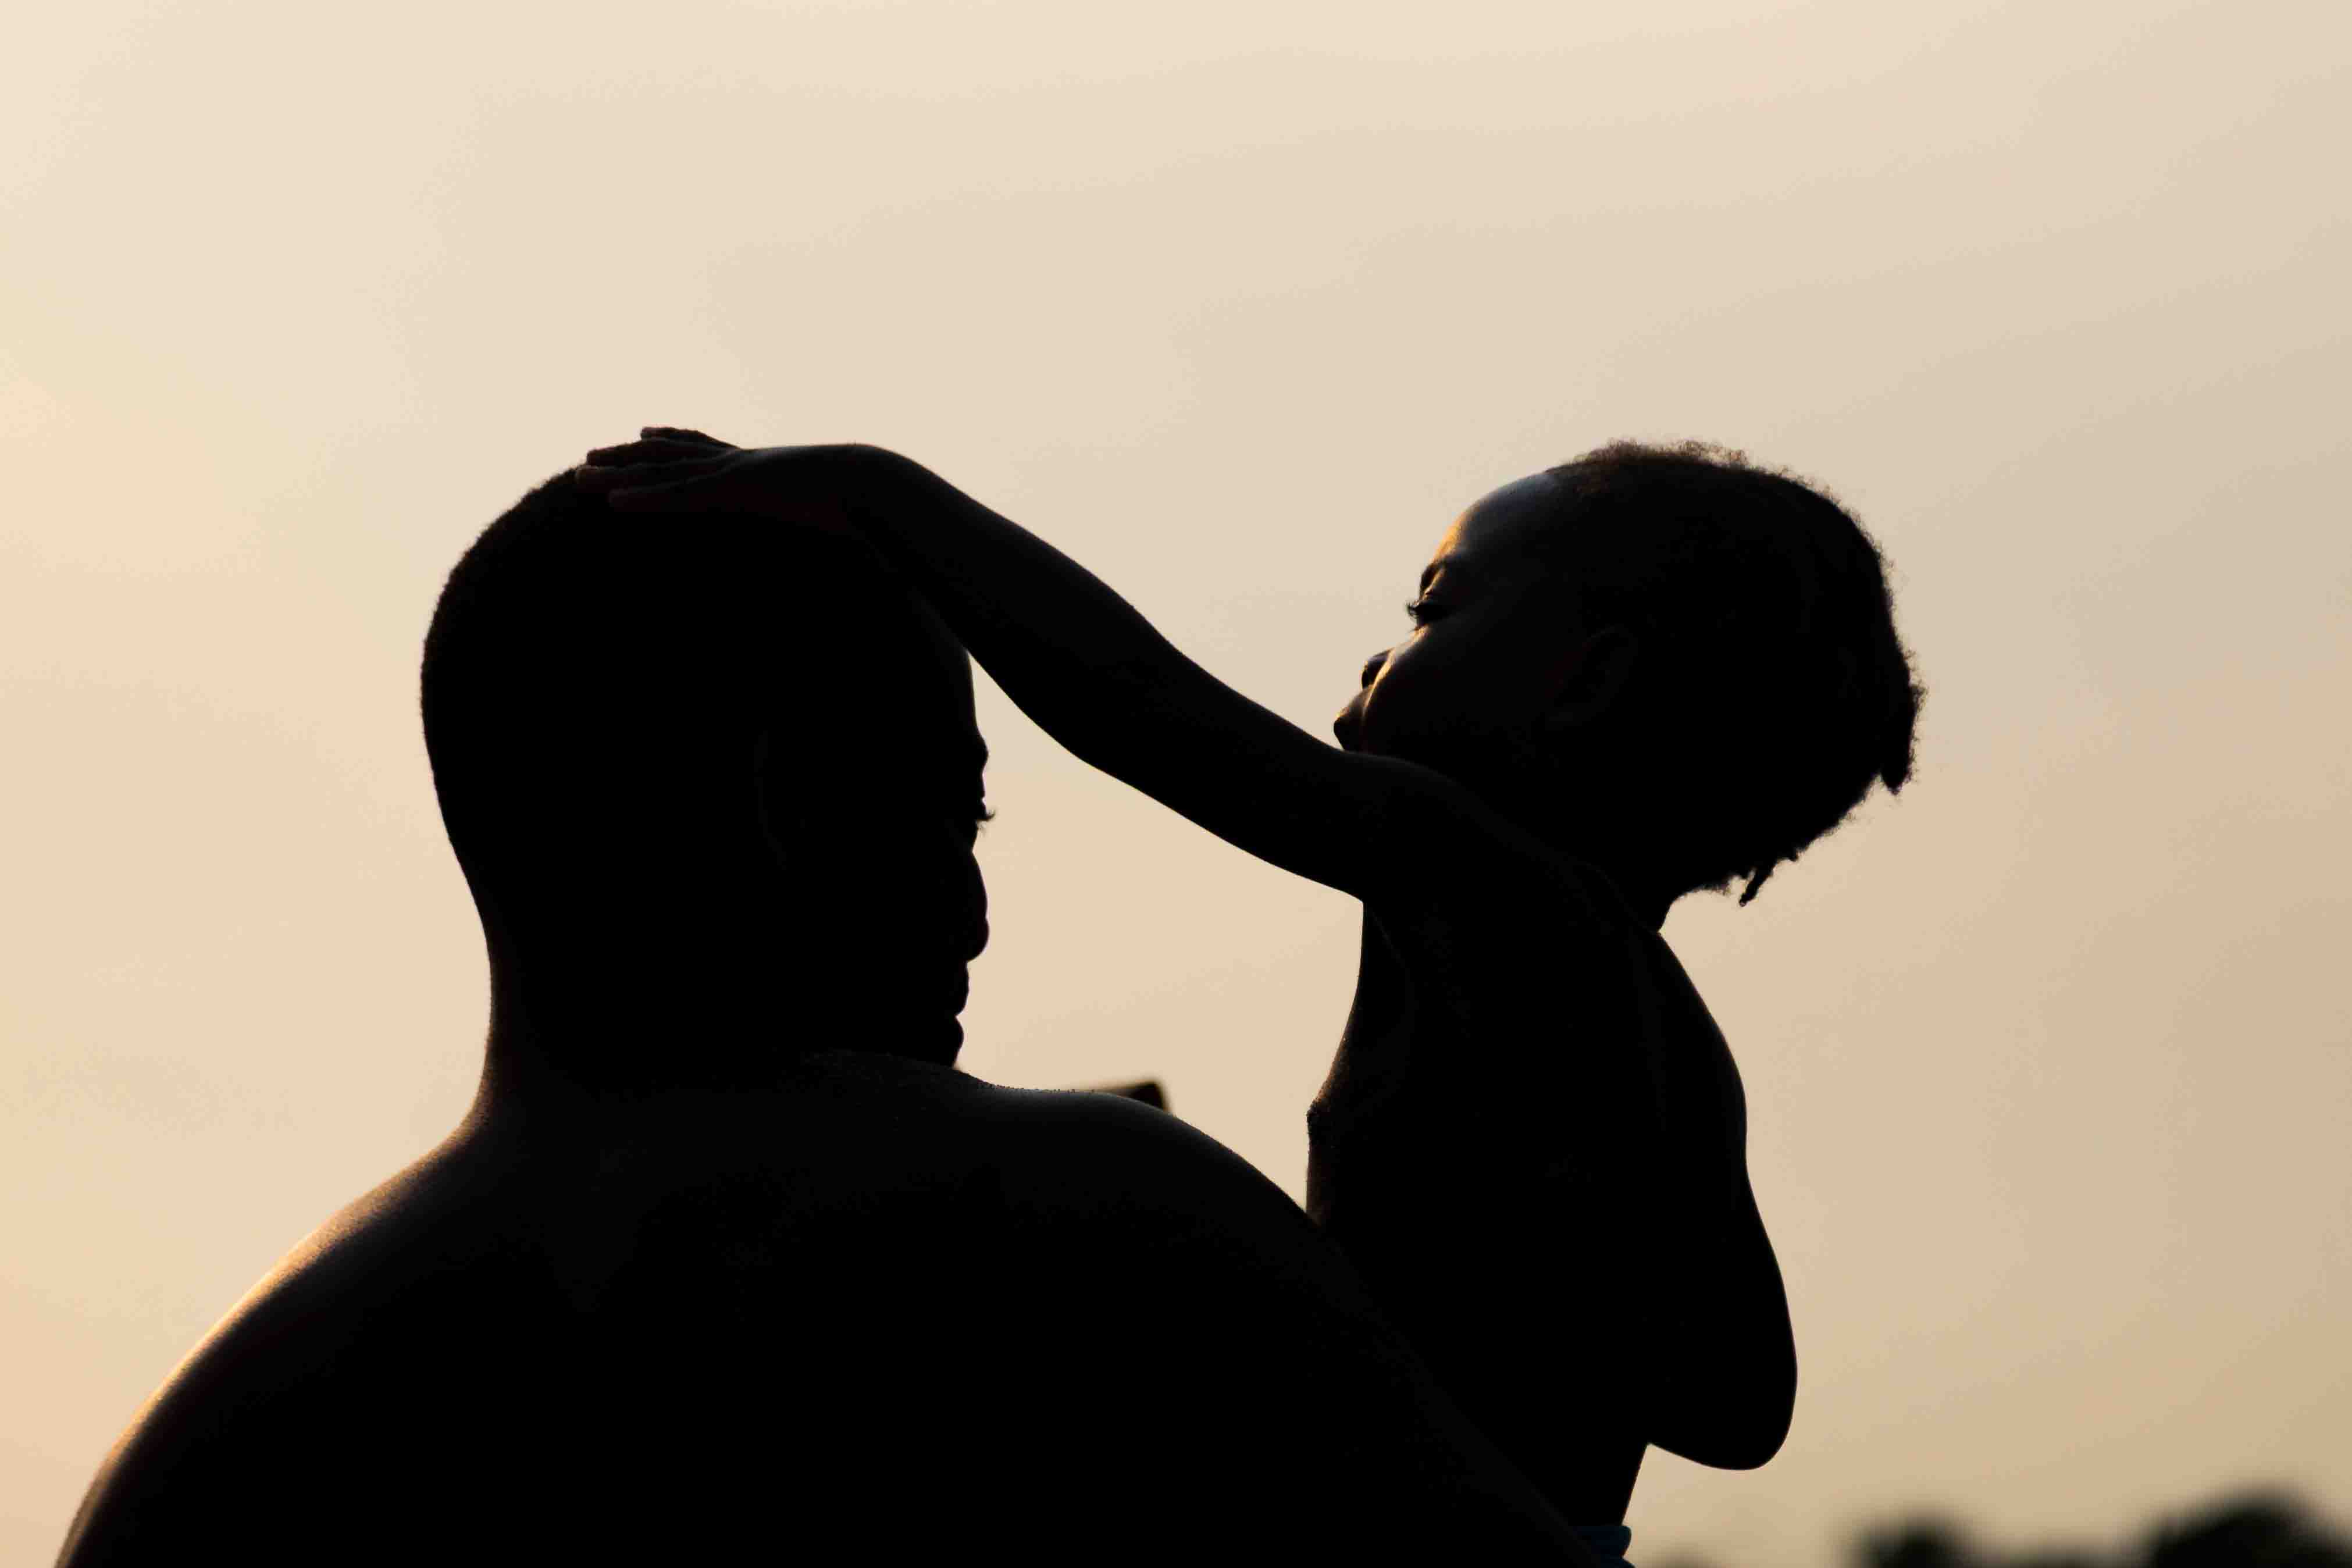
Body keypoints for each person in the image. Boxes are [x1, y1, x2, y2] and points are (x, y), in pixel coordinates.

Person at [56, 470, 1601, 1564]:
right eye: (952, 813)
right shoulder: (1081, 1226)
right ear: (786, 800)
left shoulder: (220, 1434)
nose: (976, 914)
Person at [577, 431, 1922, 1562]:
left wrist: (882, 494)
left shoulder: (1487, 882)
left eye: (1432, 612)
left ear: (1589, 683)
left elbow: (1155, 715)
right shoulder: (1673, 1045)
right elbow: (1741, 1402)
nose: (1377, 661)